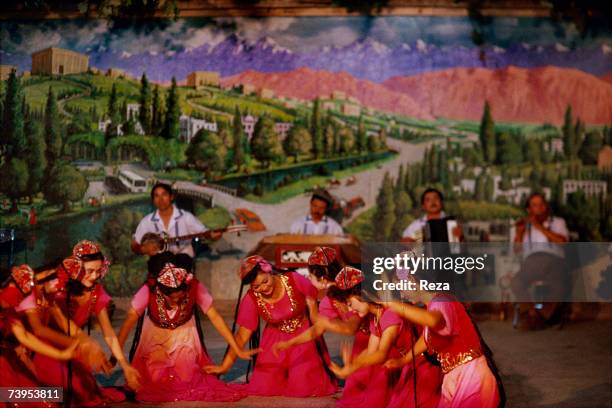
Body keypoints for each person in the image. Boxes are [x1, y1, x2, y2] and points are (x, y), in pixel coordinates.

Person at [117, 256, 257, 402]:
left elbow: (215, 317)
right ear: (162, 291)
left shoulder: (194, 286)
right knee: (155, 380)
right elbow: (128, 323)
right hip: (155, 334)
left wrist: (236, 348)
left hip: (184, 334)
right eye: (172, 298)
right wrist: (116, 357)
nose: (176, 301)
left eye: (180, 297)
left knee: (188, 379)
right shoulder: (149, 289)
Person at [204, 255, 337, 397]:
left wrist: (317, 317)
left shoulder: (294, 279)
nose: (263, 288)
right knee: (265, 387)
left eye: (265, 281)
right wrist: (225, 366)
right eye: (256, 286)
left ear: (269, 271)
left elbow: (318, 299)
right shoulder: (251, 298)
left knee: (303, 387)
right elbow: (242, 336)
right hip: (274, 342)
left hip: (302, 336)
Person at [27, 241, 141, 406]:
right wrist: (84, 346)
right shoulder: (54, 289)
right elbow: (39, 330)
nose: (95, 276)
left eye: (98, 271)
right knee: (61, 393)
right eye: (89, 271)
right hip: (44, 348)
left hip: (73, 347)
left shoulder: (95, 292)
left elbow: (107, 333)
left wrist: (124, 365)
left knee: (84, 390)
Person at [328, 267, 442, 408]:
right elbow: (371, 352)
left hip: (425, 364)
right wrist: (351, 365)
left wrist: (353, 366)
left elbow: (381, 354)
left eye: (350, 304)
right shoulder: (375, 318)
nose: (350, 310)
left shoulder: (390, 314)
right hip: (410, 364)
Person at [384, 272, 502, 408]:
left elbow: (434, 321)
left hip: (471, 374)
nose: (402, 295)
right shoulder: (433, 305)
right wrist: (403, 361)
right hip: (455, 374)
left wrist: (394, 306)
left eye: (400, 288)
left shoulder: (442, 300)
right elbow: (427, 339)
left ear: (411, 280)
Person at [0, 265, 79, 394]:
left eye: (20, 298)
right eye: (14, 294)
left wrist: (61, 354)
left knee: (45, 396)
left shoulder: (10, 312)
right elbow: (37, 330)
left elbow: (24, 336)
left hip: (9, 359)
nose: (16, 301)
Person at [512, 193, 569, 324]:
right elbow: (517, 252)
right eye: (535, 205)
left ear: (546, 206)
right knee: (516, 282)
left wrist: (539, 227)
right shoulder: (525, 227)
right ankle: (532, 313)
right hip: (532, 263)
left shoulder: (557, 222)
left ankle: (544, 315)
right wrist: (519, 234)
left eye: (542, 205)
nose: (540, 208)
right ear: (529, 210)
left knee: (559, 284)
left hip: (555, 260)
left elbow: (563, 242)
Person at [132, 182, 221, 258]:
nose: (161, 199)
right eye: (156, 196)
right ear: (153, 200)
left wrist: (212, 235)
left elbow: (204, 232)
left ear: (171, 197)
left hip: (184, 261)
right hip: (159, 265)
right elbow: (135, 245)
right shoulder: (147, 221)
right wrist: (144, 249)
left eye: (164, 195)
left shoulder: (186, 217)